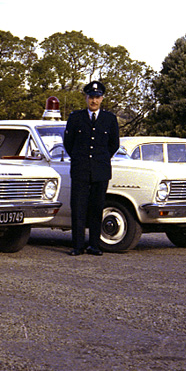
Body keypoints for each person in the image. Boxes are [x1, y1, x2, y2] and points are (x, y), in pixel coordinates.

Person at [63, 80, 120, 256]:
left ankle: (94, 245)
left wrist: (100, 159)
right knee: (78, 208)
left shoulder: (109, 119)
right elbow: (68, 143)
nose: (94, 101)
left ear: (102, 99)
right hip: (80, 170)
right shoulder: (76, 117)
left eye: (97, 97)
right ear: (86, 98)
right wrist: (79, 159)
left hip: (100, 170)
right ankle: (78, 246)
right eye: (91, 97)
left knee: (97, 208)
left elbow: (114, 144)